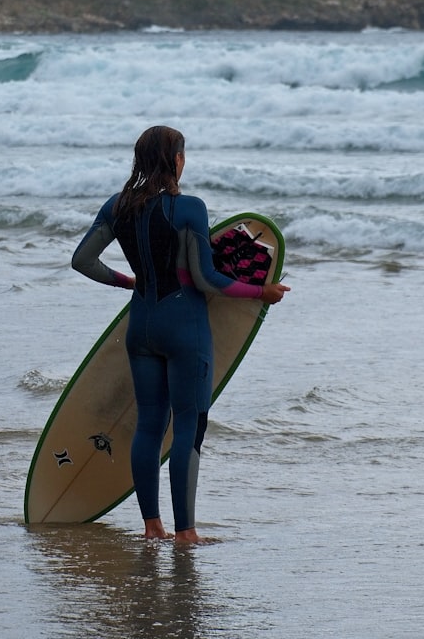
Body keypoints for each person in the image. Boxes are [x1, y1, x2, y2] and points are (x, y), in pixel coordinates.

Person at [71, 125, 290, 543]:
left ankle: (153, 527)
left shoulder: (115, 207)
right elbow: (207, 280)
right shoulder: (189, 208)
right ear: (175, 160)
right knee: (189, 426)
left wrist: (129, 282)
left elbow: (82, 260)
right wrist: (261, 292)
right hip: (184, 326)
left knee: (149, 426)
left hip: (141, 326)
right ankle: (186, 532)